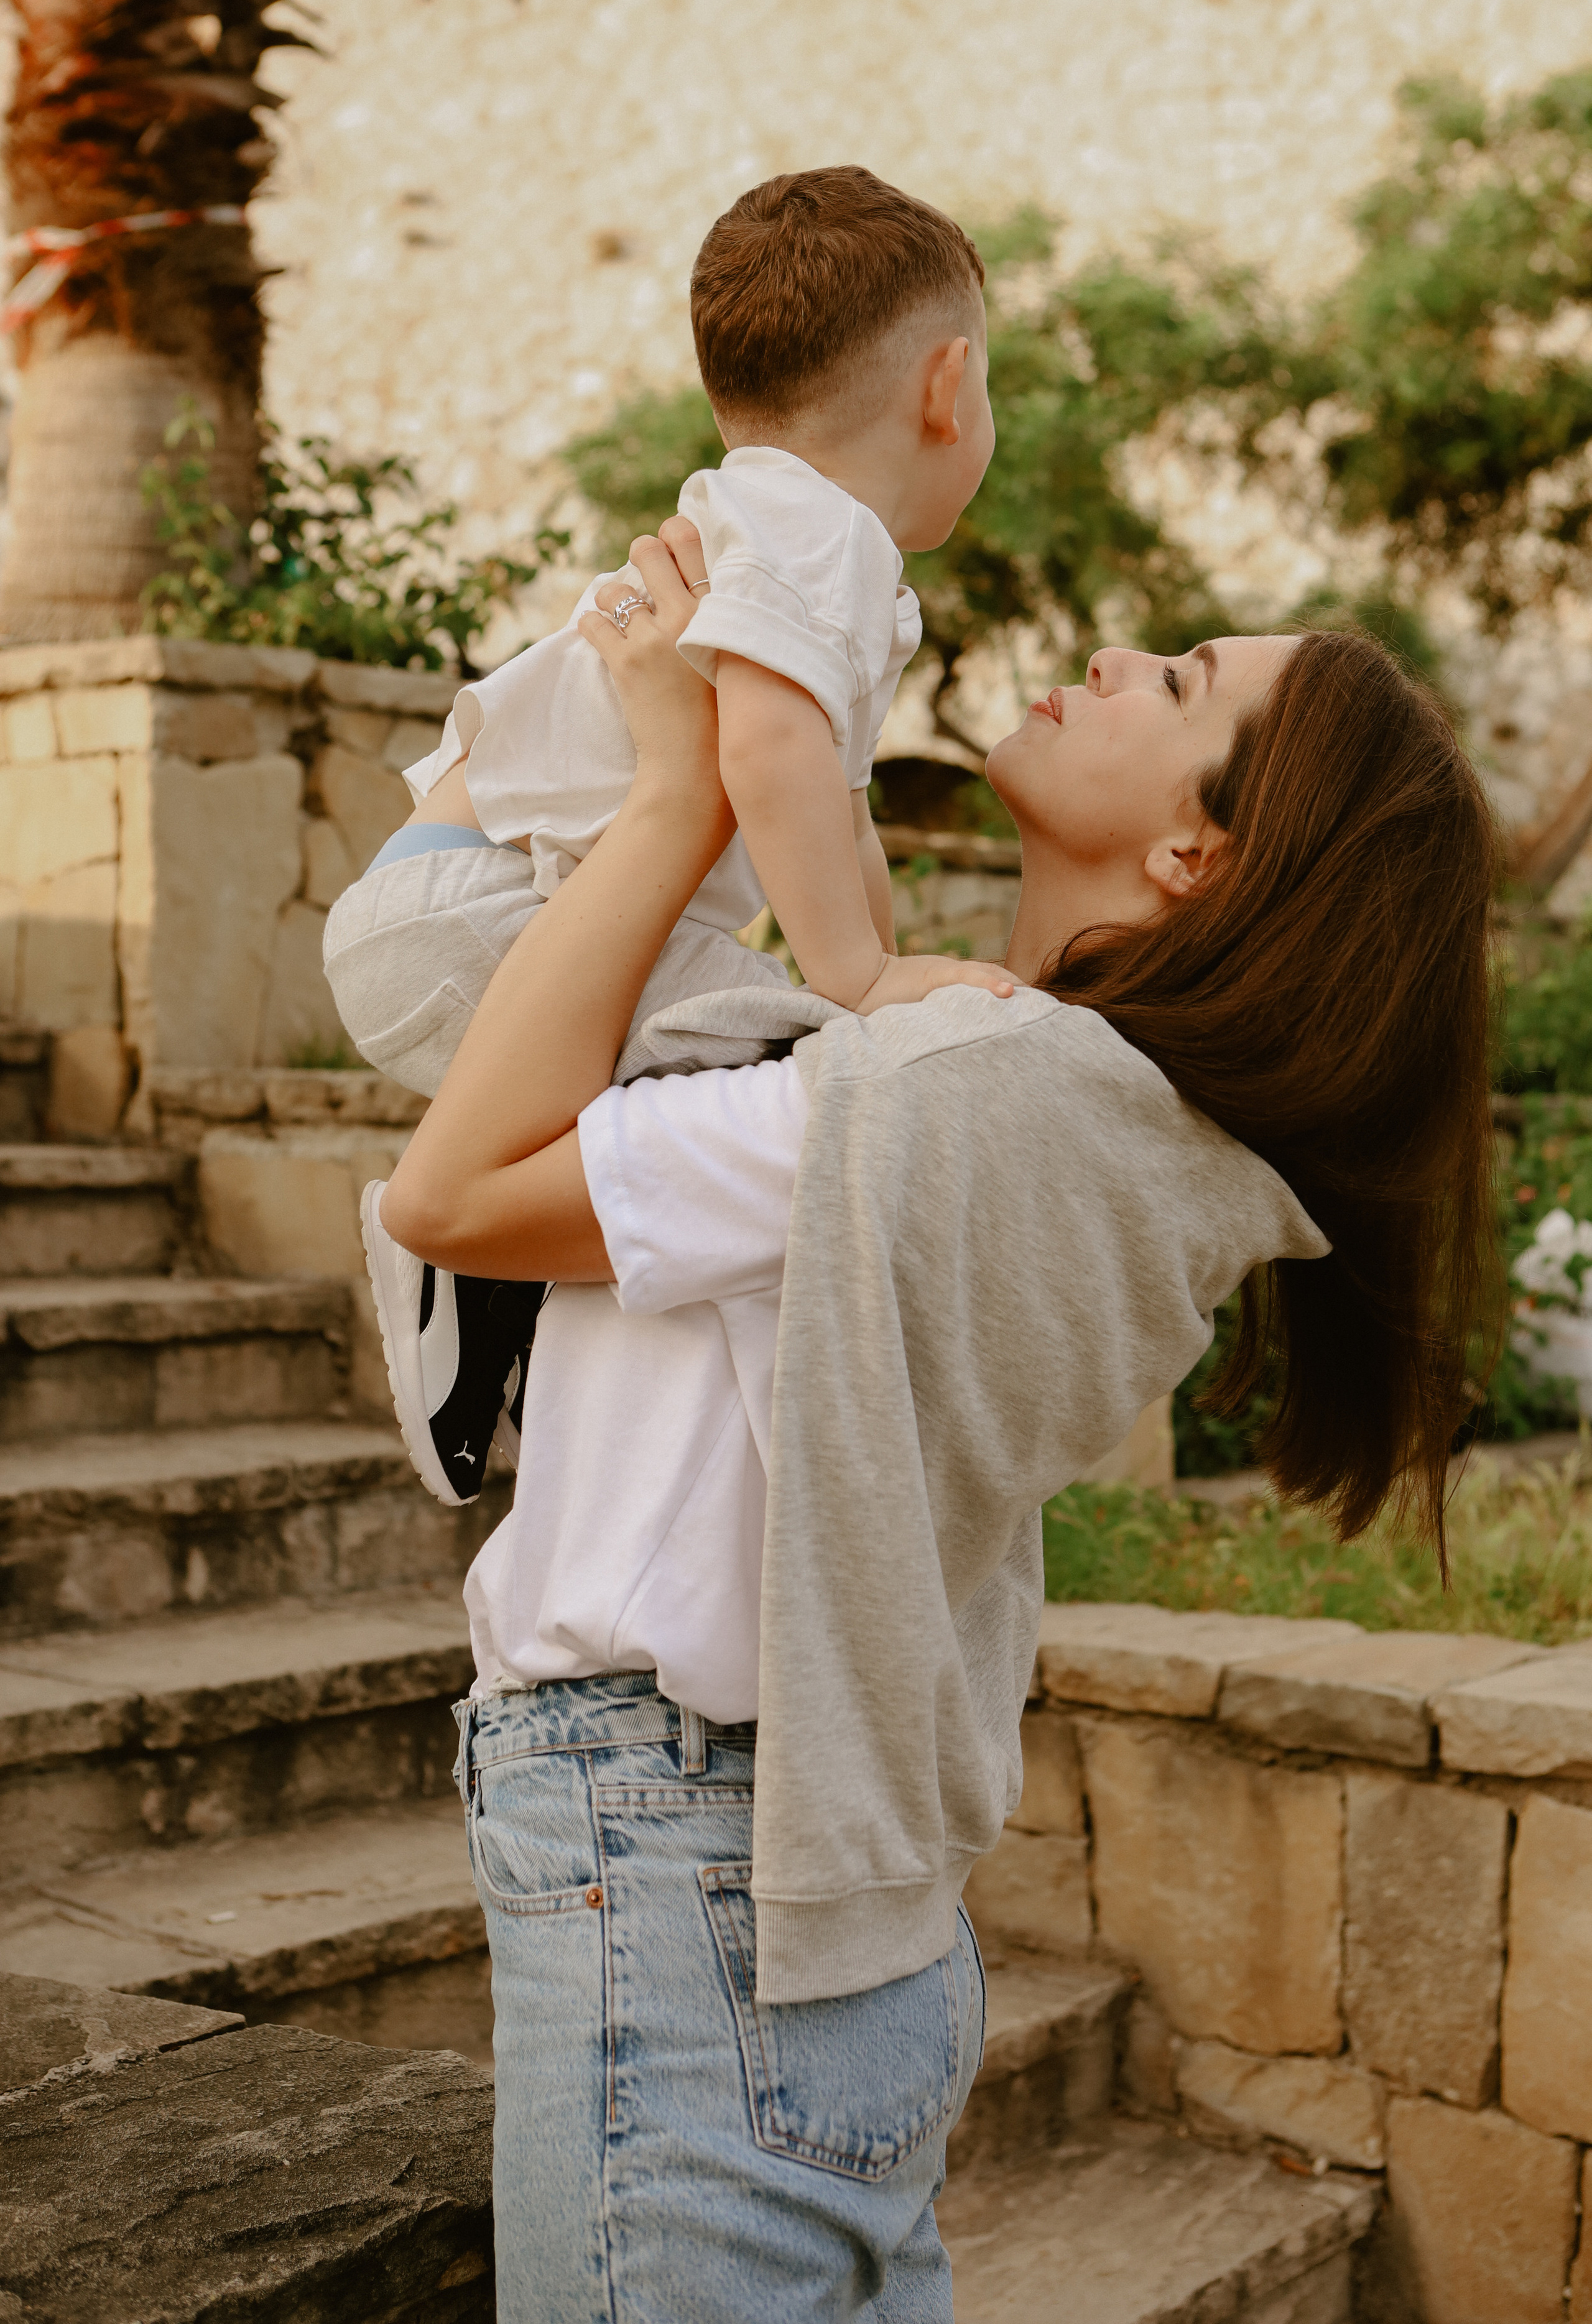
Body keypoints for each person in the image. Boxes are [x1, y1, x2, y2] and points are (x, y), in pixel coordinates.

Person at [377, 529, 1497, 2322]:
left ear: (1200, 851)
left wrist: (675, 791)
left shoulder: (964, 1094)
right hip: (818, 1916)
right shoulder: (1094, 1117)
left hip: (687, 1878)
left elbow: (450, 1193)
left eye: (1183, 680)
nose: (1122, 661)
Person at [322, 166, 1009, 1505]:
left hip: (456, 904)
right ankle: (461, 1250)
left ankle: (503, 1270)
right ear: (945, 383)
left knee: (830, 1057)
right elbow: (755, 756)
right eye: (993, 392)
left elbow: (832, 796)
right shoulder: (824, 535)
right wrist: (856, 981)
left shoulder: (782, 534)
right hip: (486, 916)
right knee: (824, 1066)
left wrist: (873, 957)